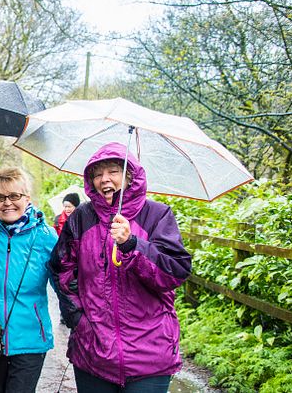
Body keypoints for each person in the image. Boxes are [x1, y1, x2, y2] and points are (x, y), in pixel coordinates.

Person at [49, 142, 192, 392]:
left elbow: (174, 272)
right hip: (93, 351)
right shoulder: (82, 218)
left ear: (129, 176)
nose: (105, 179)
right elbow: (61, 270)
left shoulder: (157, 215)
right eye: (97, 174)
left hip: (150, 353)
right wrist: (79, 320)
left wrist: (132, 244)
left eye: (113, 171)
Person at [0, 167, 59, 393]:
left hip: (30, 339)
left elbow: (62, 284)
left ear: (27, 198)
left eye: (14, 196)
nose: (7, 203)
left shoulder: (47, 237)